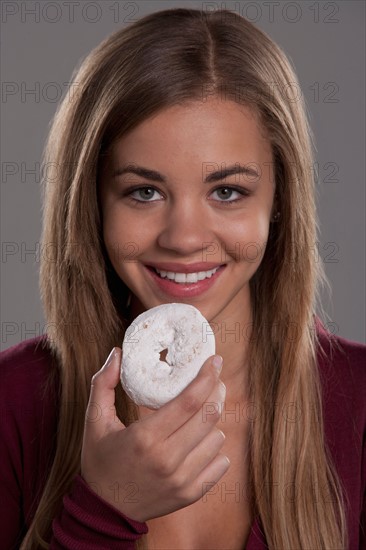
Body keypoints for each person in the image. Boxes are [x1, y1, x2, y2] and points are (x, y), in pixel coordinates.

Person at [0, 7, 365, 550]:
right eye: (144, 192)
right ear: (92, 205)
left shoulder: (357, 400)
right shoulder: (14, 399)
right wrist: (104, 510)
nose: (185, 238)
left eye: (227, 191)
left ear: (280, 202)